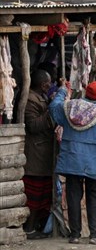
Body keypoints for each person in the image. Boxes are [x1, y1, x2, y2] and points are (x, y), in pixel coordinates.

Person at [49, 78, 96, 245]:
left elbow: (53, 108)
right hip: (95, 162)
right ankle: (94, 235)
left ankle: (75, 234)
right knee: (95, 196)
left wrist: (62, 91)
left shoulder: (69, 108)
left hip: (72, 159)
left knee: (74, 195)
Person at [23, 70, 55, 239]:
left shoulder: (40, 96)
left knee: (42, 194)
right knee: (34, 195)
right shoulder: (29, 99)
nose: (50, 86)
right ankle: (29, 228)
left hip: (43, 153)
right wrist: (52, 110)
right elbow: (33, 126)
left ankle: (35, 226)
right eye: (49, 83)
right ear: (43, 84)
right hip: (35, 153)